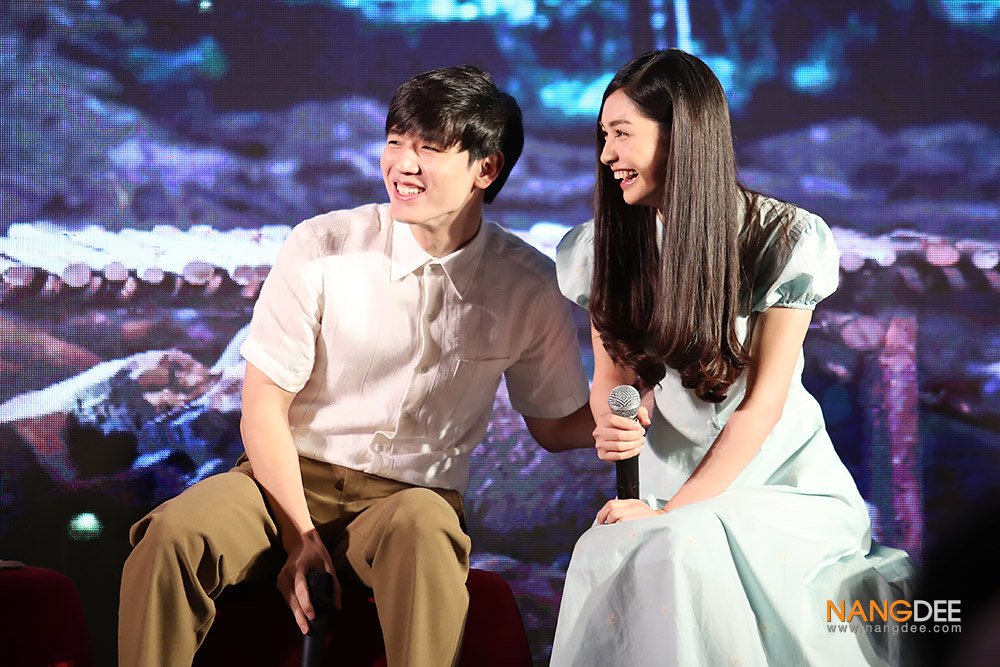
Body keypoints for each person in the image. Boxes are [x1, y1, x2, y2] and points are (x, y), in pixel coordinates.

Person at [118, 65, 595, 667]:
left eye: (429, 149)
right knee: (171, 537)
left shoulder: (528, 284)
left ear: (486, 168)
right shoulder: (322, 246)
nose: (403, 164)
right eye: (396, 142)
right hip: (281, 483)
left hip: (409, 502)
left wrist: (642, 407)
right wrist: (301, 538)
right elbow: (264, 405)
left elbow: (553, 425)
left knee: (426, 529)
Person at [550, 49, 911, 666]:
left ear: (682, 135)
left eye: (622, 134)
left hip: (779, 485)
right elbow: (614, 380)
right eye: (603, 136)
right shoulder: (602, 248)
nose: (607, 154)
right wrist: (613, 418)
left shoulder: (783, 238)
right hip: (665, 485)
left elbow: (762, 405)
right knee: (611, 550)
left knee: (679, 546)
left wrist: (673, 514)